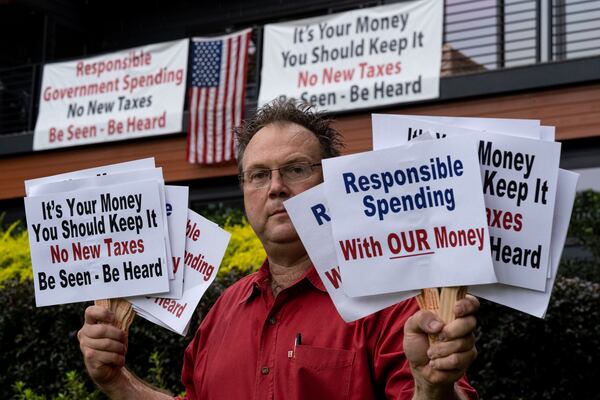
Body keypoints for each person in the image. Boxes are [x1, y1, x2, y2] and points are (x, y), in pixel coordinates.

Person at [78, 99, 480, 399]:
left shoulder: (389, 301)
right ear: (244, 193)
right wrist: (117, 380)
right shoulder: (222, 313)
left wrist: (431, 387)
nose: (275, 187)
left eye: (296, 169)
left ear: (332, 183)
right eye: (257, 175)